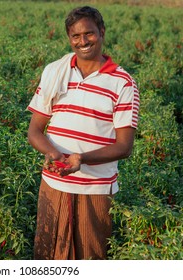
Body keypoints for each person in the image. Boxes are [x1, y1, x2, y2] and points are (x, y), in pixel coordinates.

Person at [27, 6, 139, 260]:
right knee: (48, 252)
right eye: (75, 36)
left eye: (88, 33)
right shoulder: (55, 72)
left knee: (91, 253)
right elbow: (34, 130)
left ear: (101, 32)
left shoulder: (123, 83)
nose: (82, 41)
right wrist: (54, 153)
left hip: (95, 188)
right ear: (69, 39)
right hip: (54, 182)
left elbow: (124, 147)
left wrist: (81, 158)